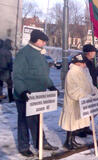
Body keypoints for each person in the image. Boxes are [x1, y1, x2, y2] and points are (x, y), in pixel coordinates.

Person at [13, 29, 58, 157]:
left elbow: (43, 75)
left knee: (38, 120)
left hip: (38, 96)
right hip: (25, 95)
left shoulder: (39, 54)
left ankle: (41, 143)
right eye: (43, 41)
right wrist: (22, 91)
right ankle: (23, 147)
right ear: (36, 40)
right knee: (23, 121)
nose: (44, 43)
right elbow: (17, 75)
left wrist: (51, 86)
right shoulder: (24, 54)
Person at [58, 54, 97, 150]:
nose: (85, 65)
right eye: (83, 63)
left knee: (76, 123)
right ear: (79, 63)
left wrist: (93, 91)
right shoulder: (72, 73)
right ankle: (68, 142)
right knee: (72, 123)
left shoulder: (80, 72)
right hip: (73, 102)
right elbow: (73, 90)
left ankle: (72, 140)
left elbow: (87, 84)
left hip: (80, 101)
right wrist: (85, 96)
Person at [75, 44, 98, 138]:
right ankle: (80, 128)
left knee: (91, 109)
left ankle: (85, 126)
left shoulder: (91, 61)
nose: (94, 53)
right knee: (84, 109)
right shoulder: (83, 61)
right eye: (93, 52)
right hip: (85, 88)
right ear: (89, 52)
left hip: (92, 86)